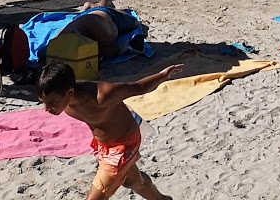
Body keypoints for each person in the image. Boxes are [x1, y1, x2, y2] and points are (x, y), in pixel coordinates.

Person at [36, 58, 184, 200]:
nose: (47, 109)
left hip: (123, 146)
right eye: (43, 102)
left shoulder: (103, 96)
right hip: (104, 145)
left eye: (52, 102)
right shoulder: (64, 99)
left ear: (69, 93)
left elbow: (139, 87)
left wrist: (163, 75)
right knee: (132, 181)